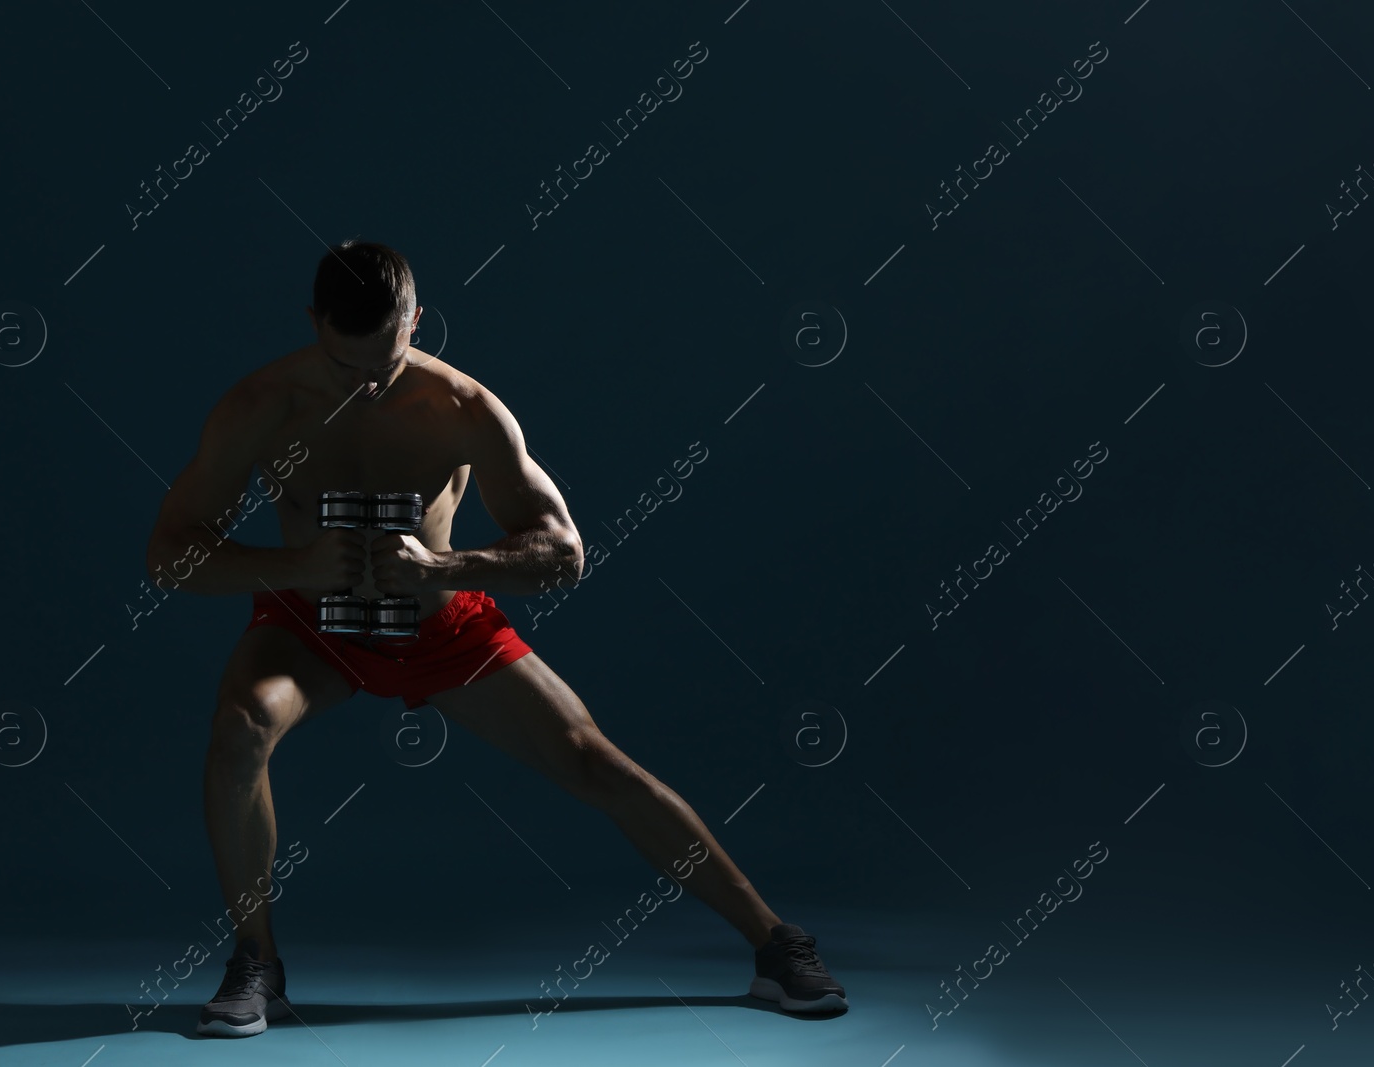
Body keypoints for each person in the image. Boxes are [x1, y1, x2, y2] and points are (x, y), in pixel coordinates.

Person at [144, 239, 847, 1038]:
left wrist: (444, 562)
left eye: (385, 362)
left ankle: (775, 942)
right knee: (238, 729)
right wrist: (294, 561)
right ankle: (256, 964)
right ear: (314, 325)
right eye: (346, 367)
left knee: (590, 757)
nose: (367, 384)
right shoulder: (260, 406)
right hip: (312, 625)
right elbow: (168, 554)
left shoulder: (464, 409)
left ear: (415, 318)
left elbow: (565, 552)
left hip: (439, 620)